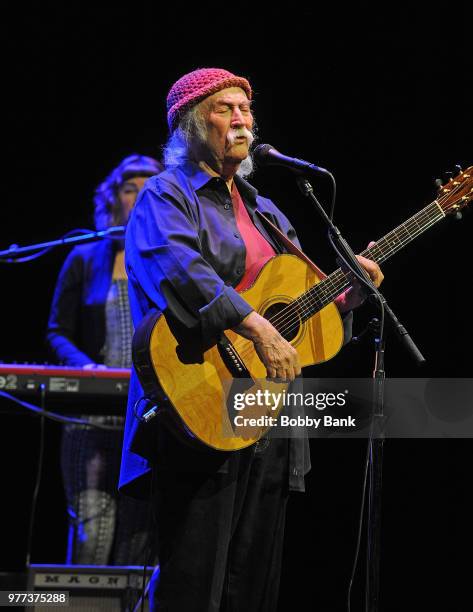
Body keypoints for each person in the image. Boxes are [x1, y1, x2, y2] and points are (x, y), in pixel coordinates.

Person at [119, 68, 384, 610]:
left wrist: (349, 299)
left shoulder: (269, 214)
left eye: (245, 108)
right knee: (194, 579)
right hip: (200, 402)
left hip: (270, 411)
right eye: (224, 109)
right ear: (190, 125)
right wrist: (255, 326)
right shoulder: (166, 196)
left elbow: (306, 318)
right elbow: (177, 269)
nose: (241, 118)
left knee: (254, 584)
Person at [46, 154, 163, 565]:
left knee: (138, 542)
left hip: (146, 415)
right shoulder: (84, 257)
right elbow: (57, 331)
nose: (137, 196)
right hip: (92, 423)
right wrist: (85, 368)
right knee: (92, 536)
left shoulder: (165, 256)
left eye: (148, 187)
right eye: (129, 188)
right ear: (112, 197)